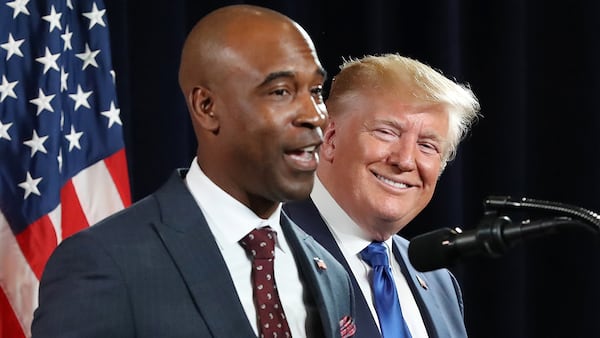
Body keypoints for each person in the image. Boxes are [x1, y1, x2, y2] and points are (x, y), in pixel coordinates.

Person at [31, 5, 356, 338]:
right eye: (280, 92)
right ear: (207, 107)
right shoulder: (104, 262)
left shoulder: (330, 272)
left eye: (316, 91)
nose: (315, 115)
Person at [284, 53, 481, 337]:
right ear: (329, 138)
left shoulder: (439, 284)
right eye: (387, 132)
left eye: (427, 146)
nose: (405, 160)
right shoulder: (271, 248)